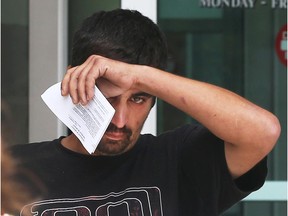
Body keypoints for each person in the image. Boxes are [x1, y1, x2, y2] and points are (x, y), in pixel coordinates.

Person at [11, 9, 281, 216]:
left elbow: (262, 130)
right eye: (107, 99)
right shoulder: (13, 168)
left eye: (138, 99)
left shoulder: (178, 160)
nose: (119, 120)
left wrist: (138, 77)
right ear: (73, 81)